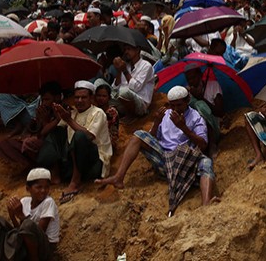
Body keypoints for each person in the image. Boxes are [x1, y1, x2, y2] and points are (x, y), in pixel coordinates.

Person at [96, 86, 219, 215]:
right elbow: (152, 137)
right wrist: (157, 122)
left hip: (185, 162)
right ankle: (119, 177)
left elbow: (203, 145)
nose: (176, 109)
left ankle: (206, 202)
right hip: (164, 158)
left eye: (179, 105)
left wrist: (184, 128)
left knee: (206, 163)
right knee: (139, 135)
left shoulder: (196, 117)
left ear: (187, 100)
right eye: (173, 105)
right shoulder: (166, 114)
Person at [37, 81, 112, 203]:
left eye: (83, 97)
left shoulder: (98, 113)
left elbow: (89, 136)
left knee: (80, 136)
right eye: (77, 97)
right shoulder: (72, 113)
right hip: (72, 162)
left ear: (91, 98)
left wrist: (69, 120)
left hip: (94, 163)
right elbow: (45, 132)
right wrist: (54, 118)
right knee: (56, 132)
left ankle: (75, 183)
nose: (79, 100)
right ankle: (55, 174)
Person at [0, 167, 60, 261]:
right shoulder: (24, 201)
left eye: (46, 187)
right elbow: (21, 232)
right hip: (26, 245)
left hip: (44, 248)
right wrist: (12, 215)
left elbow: (38, 232)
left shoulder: (48, 202)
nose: (43, 191)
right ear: (28, 189)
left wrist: (20, 215)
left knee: (27, 224)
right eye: (39, 187)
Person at [0, 82, 63, 173]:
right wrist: (37, 120)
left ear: (57, 97)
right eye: (43, 100)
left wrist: (44, 122)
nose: (44, 103)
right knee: (4, 144)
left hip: (53, 148)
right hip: (36, 148)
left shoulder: (63, 110)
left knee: (30, 143)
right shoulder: (43, 110)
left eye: (47, 99)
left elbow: (45, 133)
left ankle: (41, 168)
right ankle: (29, 166)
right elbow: (32, 129)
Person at [112, 44, 156, 117]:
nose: (126, 52)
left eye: (129, 49)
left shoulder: (146, 66)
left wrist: (124, 71)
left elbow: (136, 87)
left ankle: (131, 117)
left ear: (137, 50)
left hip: (140, 104)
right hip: (123, 99)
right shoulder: (125, 65)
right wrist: (119, 71)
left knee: (123, 91)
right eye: (125, 49)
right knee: (104, 93)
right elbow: (115, 88)